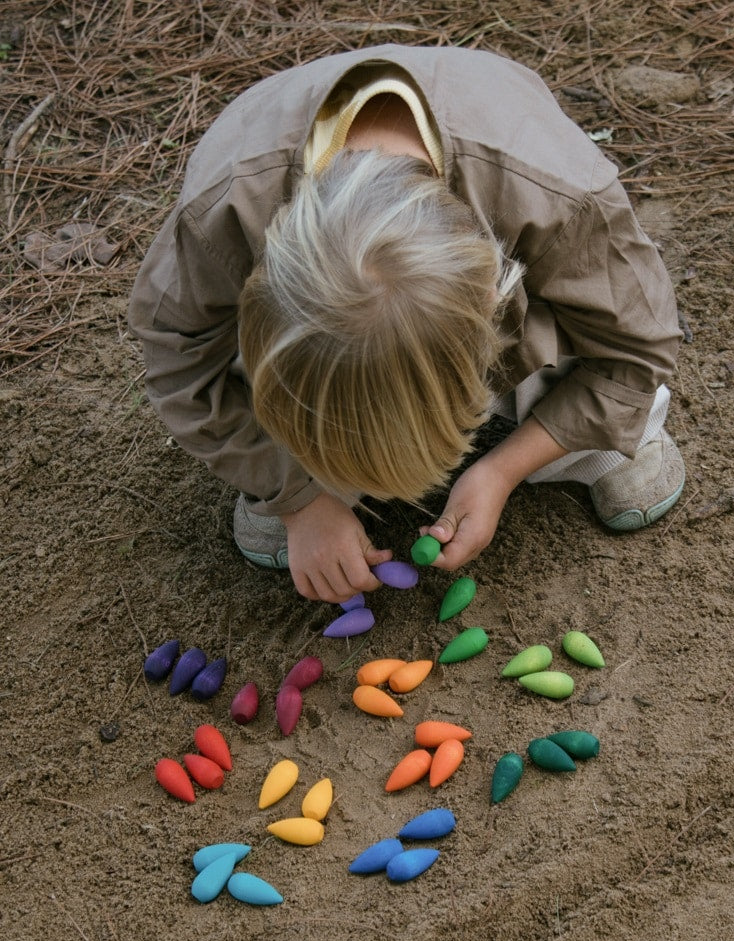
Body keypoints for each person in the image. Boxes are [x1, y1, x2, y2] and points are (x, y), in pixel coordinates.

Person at [129, 44, 684, 604]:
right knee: (256, 383)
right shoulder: (220, 219)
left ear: (494, 295)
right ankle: (296, 473)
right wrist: (298, 498)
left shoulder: (561, 197)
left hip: (525, 251)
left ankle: (600, 447)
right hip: (294, 304)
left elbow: (637, 348)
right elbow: (179, 366)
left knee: (600, 352)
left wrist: (502, 470)